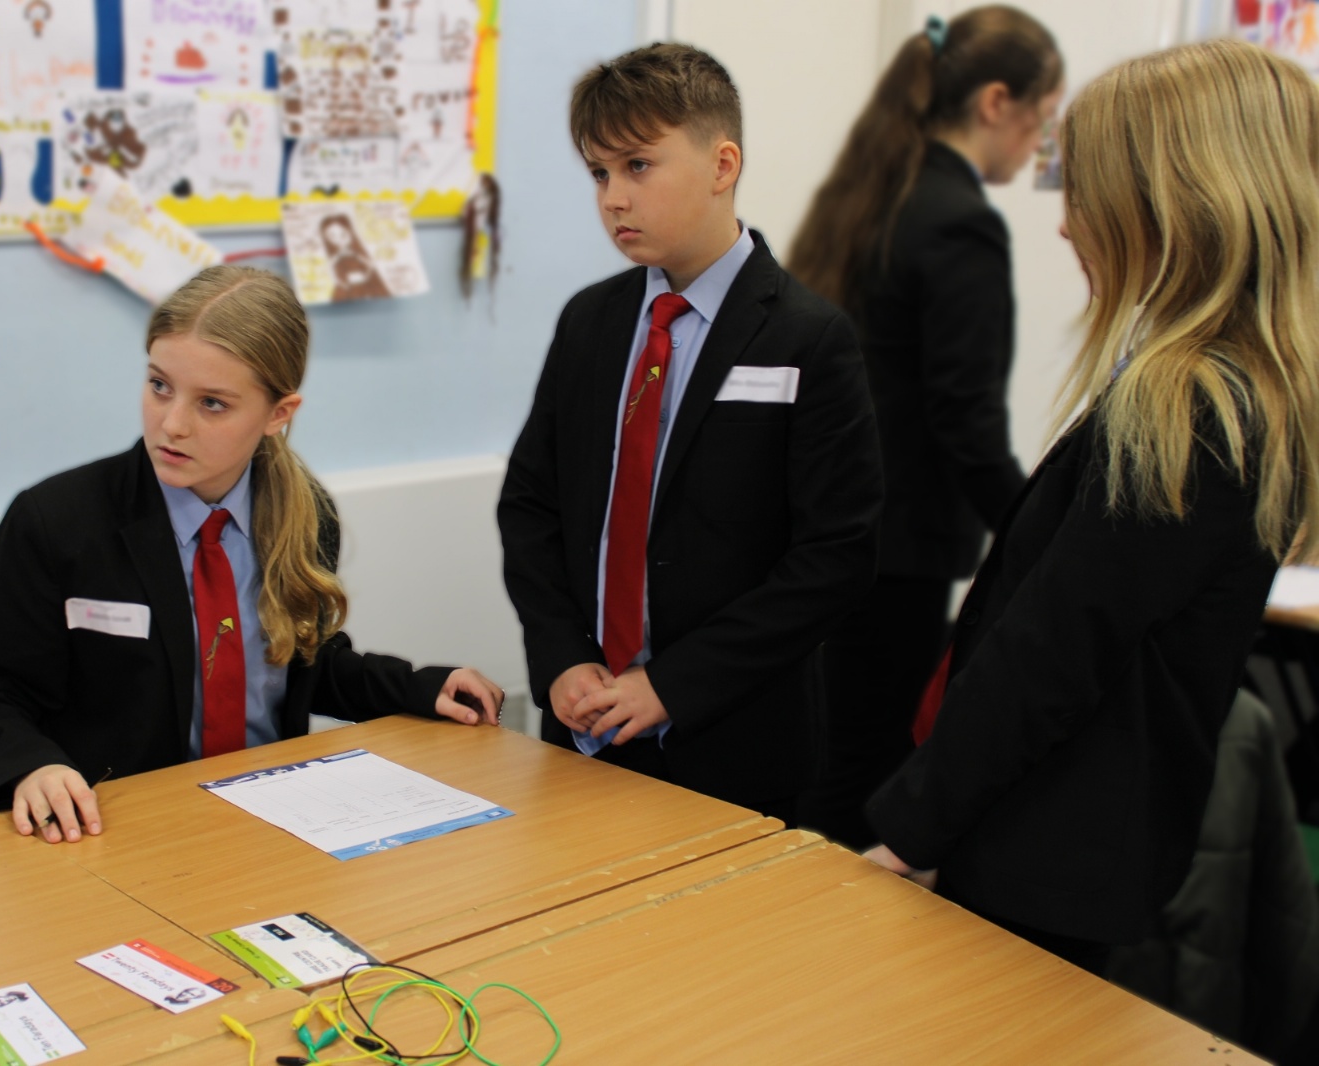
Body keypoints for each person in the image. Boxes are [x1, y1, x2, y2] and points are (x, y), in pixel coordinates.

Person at [863, 38, 1319, 973]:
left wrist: (908, 832)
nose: (1067, 224)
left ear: (1173, 201)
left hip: (1048, 854)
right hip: (1051, 837)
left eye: (1086, 191)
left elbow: (1053, 649)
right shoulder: (1223, 389)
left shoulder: (1193, 406)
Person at [0, 266, 503, 843]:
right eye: (159, 385)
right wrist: (31, 767)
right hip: (117, 828)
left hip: (272, 818)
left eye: (212, 403)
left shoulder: (306, 514)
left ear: (278, 414)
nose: (172, 424)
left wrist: (414, 687)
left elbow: (296, 667)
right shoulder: (56, 521)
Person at [497, 43, 882, 821]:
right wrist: (561, 656)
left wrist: (672, 685)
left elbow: (834, 557)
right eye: (599, 173)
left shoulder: (808, 338)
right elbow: (532, 506)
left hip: (733, 739)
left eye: (638, 166)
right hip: (587, 724)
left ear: (721, 165)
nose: (614, 198)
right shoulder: (590, 322)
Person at [787, 6, 1063, 849]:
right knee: (866, 765)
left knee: (832, 751)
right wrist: (1042, 532)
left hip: (827, 529)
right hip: (897, 547)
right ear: (995, 103)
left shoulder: (872, 196)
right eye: (1043, 120)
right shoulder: (959, 221)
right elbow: (966, 422)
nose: (1039, 144)